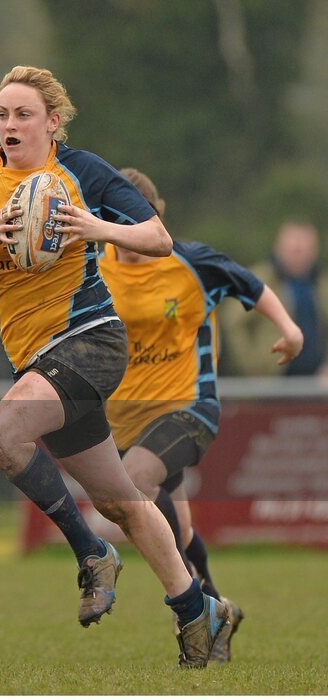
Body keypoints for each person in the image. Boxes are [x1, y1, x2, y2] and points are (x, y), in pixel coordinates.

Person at [0, 65, 229, 668]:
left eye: (23, 115)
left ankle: (92, 553)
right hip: (34, 361)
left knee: (0, 436)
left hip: (91, 340)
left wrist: (92, 226)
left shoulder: (82, 170)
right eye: (2, 115)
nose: (10, 125)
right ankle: (199, 609)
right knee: (121, 500)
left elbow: (159, 237)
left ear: (51, 121)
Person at [103, 167, 304, 664]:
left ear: (153, 220)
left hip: (190, 408)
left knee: (131, 485)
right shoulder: (93, 264)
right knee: (179, 531)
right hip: (126, 419)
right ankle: (217, 610)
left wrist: (289, 329)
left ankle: (192, 612)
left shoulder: (189, 261)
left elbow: (251, 285)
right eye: (115, 226)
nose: (127, 241)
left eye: (134, 227)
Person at [220, 221, 326, 376]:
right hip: (271, 384)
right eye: (294, 249)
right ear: (278, 247)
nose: (299, 254)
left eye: (304, 249)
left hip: (316, 385)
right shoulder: (256, 280)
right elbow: (232, 322)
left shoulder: (321, 285)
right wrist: (252, 366)